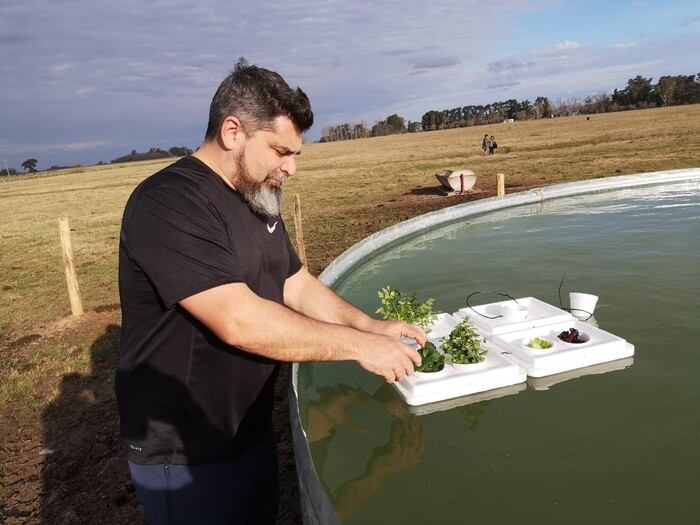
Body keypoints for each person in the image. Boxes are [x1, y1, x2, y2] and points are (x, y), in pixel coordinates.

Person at [116, 58, 425, 525]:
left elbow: (293, 282)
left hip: (248, 429)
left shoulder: (256, 197)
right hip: (185, 450)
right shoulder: (169, 203)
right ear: (233, 131)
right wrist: (361, 347)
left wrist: (371, 324)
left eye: (296, 153)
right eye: (281, 151)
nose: (291, 168)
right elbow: (239, 320)